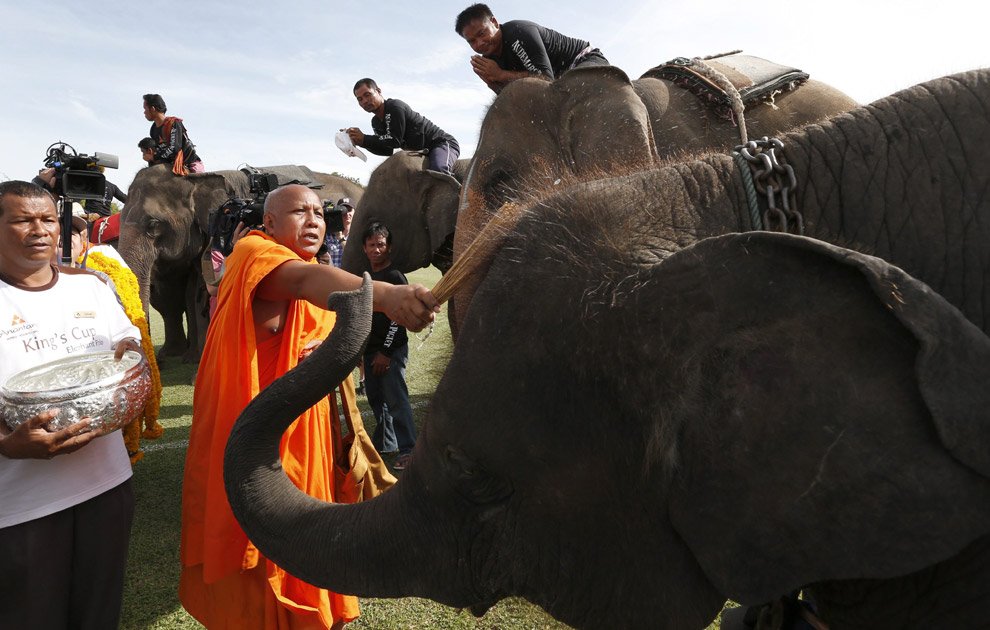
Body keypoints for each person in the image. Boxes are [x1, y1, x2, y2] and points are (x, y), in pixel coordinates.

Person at [179, 184, 438, 629]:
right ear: (271, 223)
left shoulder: (310, 265)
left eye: (320, 212)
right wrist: (386, 296)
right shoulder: (255, 253)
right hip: (261, 437)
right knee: (265, 540)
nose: (315, 220)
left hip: (306, 428)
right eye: (300, 211)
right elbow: (301, 282)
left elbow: (307, 314)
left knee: (309, 531)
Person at [0, 180, 142, 629]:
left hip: (106, 482)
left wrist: (127, 354)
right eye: (22, 220)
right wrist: (8, 445)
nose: (39, 230)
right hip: (23, 503)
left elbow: (128, 345)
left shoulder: (92, 289)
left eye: (46, 219)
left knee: (99, 614)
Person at [360, 222, 418, 469]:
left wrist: (386, 353)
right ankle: (386, 443)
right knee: (376, 399)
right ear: (364, 248)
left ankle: (409, 449)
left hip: (390, 350)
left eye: (381, 244)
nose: (376, 249)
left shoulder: (394, 277)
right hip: (371, 350)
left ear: (389, 247)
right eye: (371, 245)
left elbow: (398, 319)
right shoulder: (368, 277)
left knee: (396, 398)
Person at [455, 3, 609, 93]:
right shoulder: (489, 61)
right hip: (559, 83)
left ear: (494, 22)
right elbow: (512, 96)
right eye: (471, 41)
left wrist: (500, 74)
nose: (479, 43)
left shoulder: (519, 32)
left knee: (579, 95)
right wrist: (492, 82)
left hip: (583, 60)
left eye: (482, 33)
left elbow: (546, 80)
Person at [346, 79, 460, 176]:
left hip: (441, 144)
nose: (365, 101)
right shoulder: (376, 122)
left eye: (367, 94)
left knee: (438, 171)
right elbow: (386, 150)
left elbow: (395, 140)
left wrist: (365, 138)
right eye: (360, 99)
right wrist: (362, 143)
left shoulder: (395, 107)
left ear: (378, 91)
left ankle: (462, 199)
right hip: (422, 153)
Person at [143, 93, 205, 174]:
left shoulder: (174, 123)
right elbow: (159, 151)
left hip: (191, 165)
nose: (144, 112)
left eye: (145, 108)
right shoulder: (153, 130)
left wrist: (154, 157)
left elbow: (174, 149)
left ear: (153, 108)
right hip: (171, 167)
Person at [319, 197, 355, 268]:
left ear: (355, 212)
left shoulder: (356, 235)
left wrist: (341, 239)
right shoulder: (327, 235)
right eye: (344, 210)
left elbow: (354, 256)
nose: (347, 213)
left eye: (349, 210)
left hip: (350, 276)